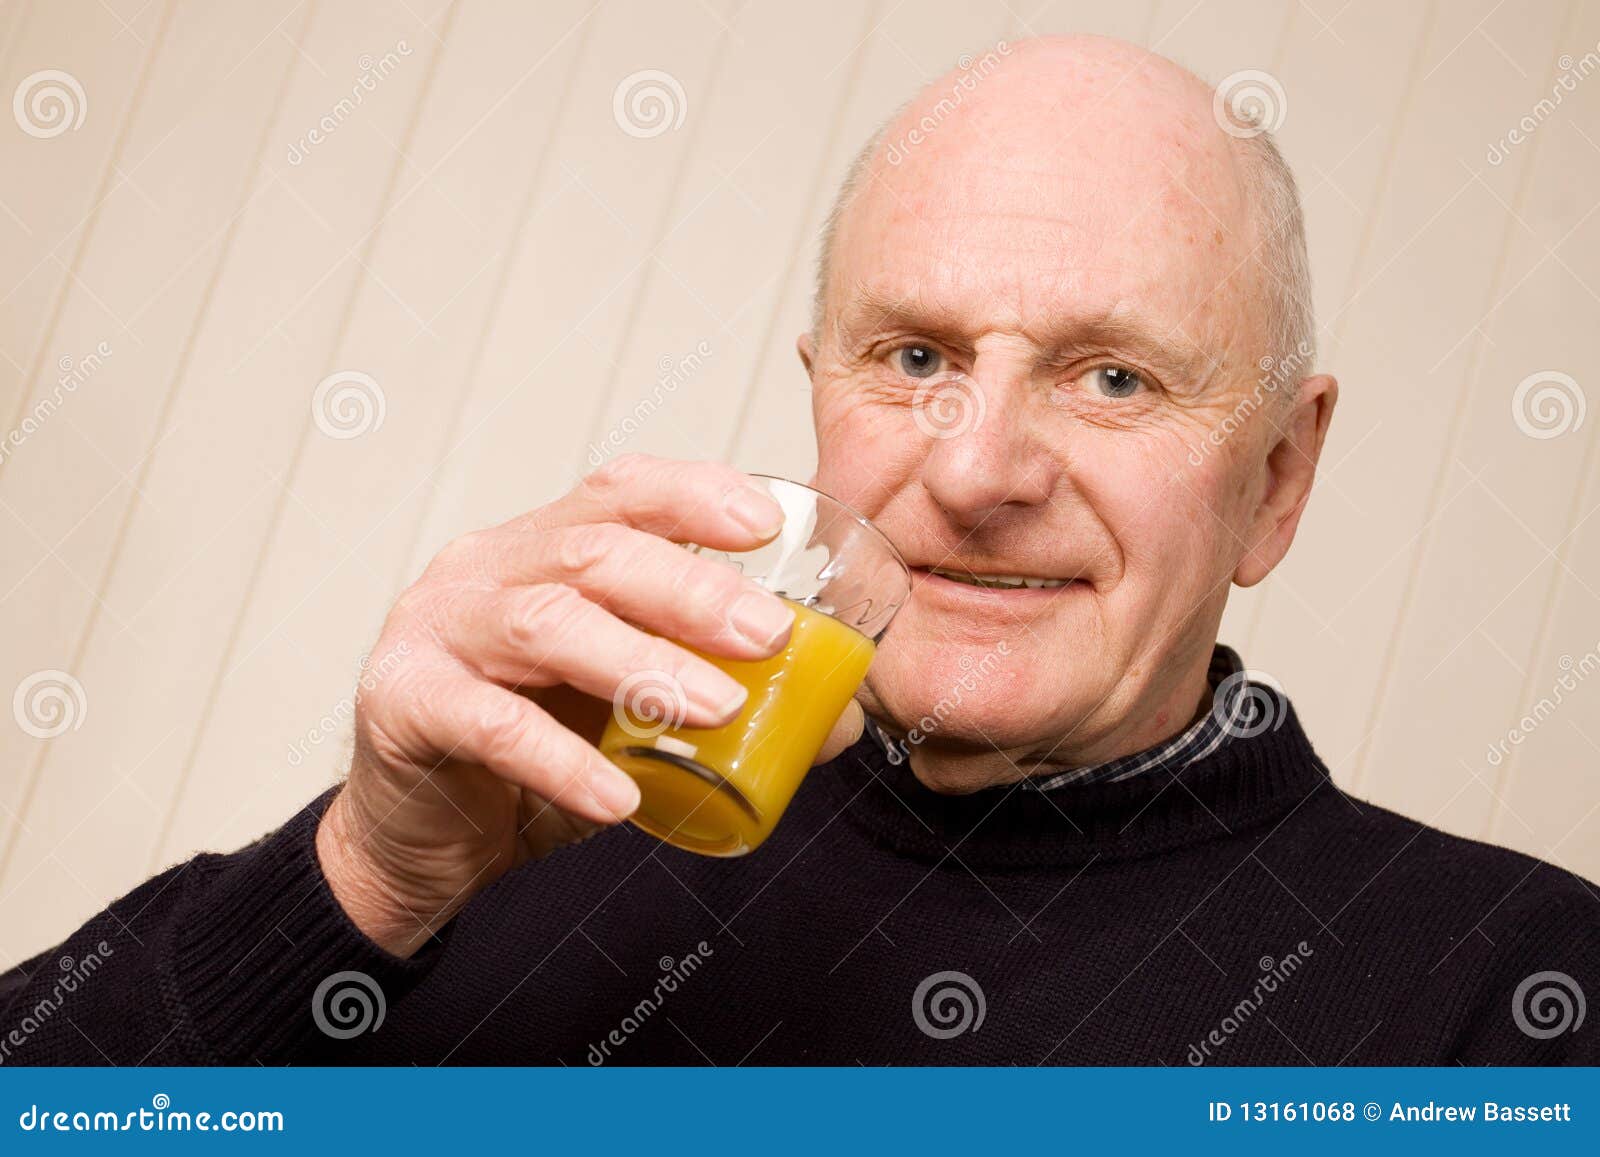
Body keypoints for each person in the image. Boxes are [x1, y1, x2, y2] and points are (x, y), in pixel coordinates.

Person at [3, 34, 1594, 1066]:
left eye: (1114, 377)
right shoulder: (513, 831)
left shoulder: (1510, 992)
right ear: (815, 399)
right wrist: (357, 876)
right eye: (914, 357)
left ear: (1278, 478)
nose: (974, 469)